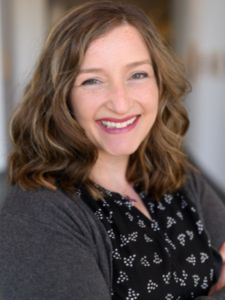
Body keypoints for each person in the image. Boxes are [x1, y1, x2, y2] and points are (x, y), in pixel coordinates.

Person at [0, 1, 225, 299]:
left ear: (159, 83)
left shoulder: (179, 176)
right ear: (61, 97)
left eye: (137, 75)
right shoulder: (39, 214)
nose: (120, 103)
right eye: (92, 80)